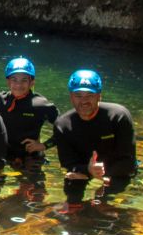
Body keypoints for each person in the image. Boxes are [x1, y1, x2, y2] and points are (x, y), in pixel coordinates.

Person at [52, 70, 136, 203]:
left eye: (90, 95)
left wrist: (104, 174)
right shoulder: (63, 125)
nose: (84, 101)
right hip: (85, 168)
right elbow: (69, 163)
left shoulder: (118, 116)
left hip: (117, 169)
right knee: (71, 182)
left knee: (102, 203)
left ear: (99, 96)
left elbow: (128, 161)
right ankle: (74, 212)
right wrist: (89, 170)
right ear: (71, 97)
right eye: (78, 95)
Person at [0, 57, 59, 163]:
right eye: (14, 80)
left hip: (31, 156)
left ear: (32, 82)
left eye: (24, 80)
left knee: (32, 179)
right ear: (8, 82)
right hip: (5, 155)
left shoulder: (41, 104)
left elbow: (65, 129)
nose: (18, 85)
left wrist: (44, 145)